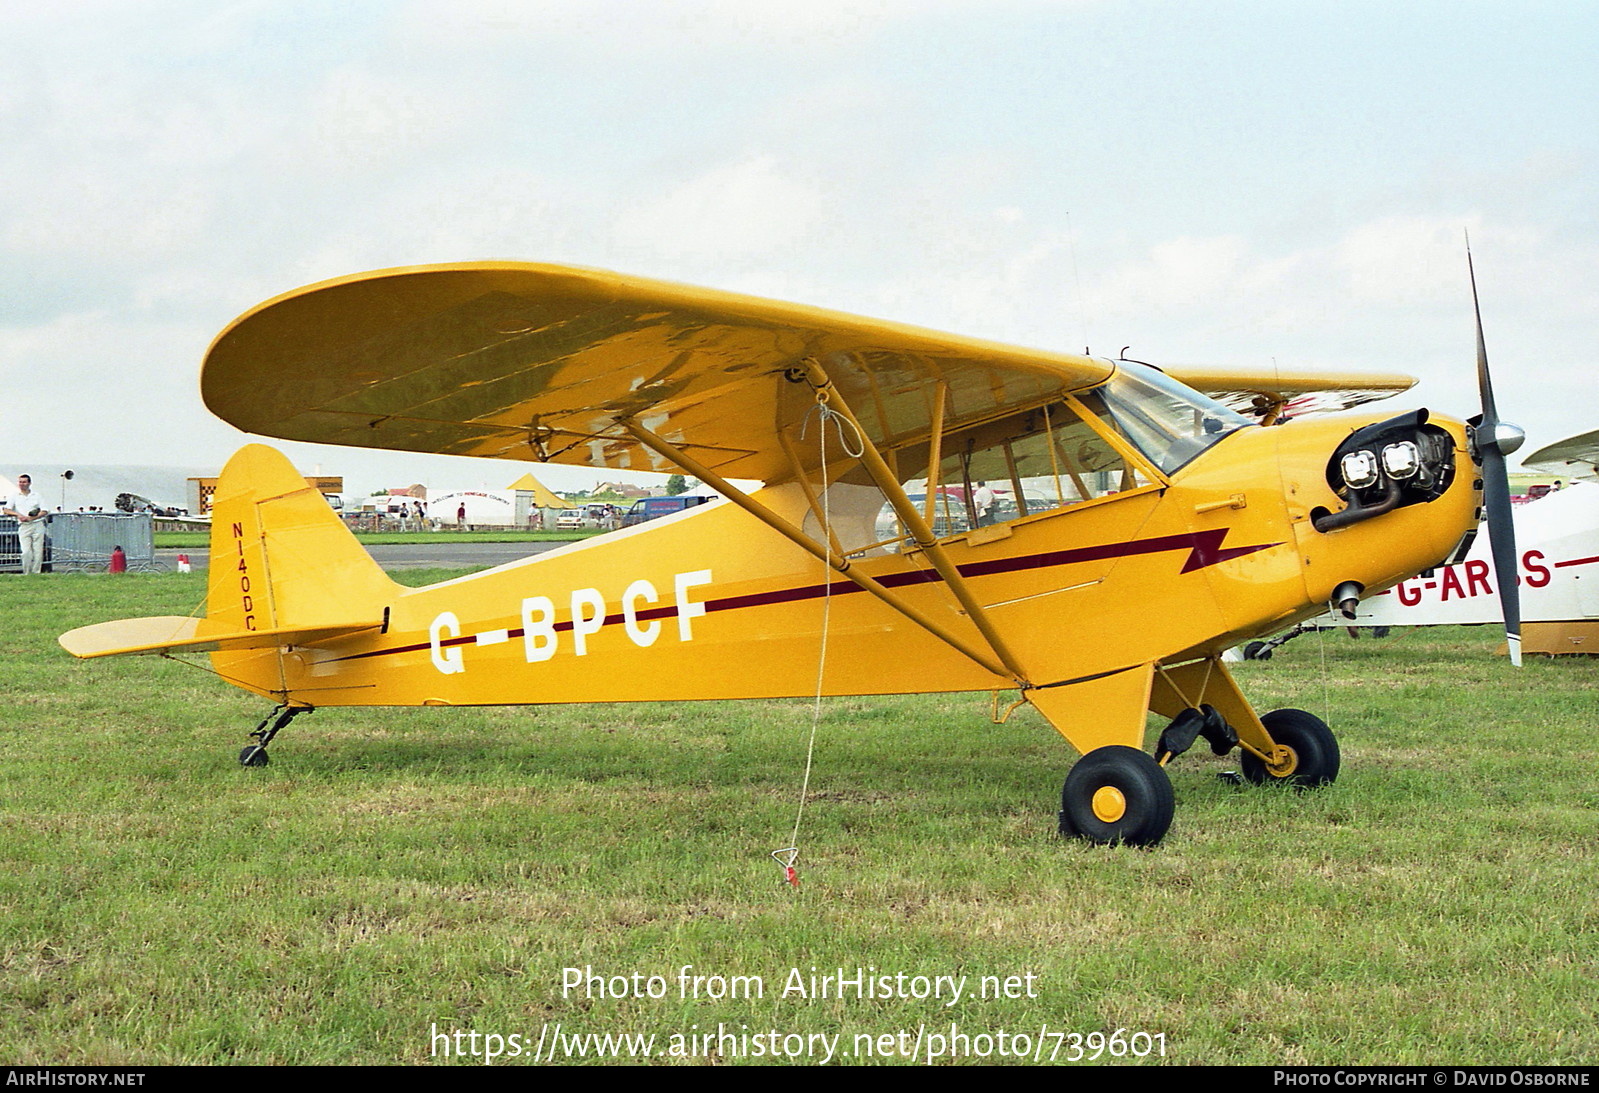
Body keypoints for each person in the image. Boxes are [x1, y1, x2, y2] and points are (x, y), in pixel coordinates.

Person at [4, 474, 49, 574]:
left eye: (24, 482)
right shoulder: (14, 496)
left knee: (38, 551)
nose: (22, 484)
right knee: (26, 551)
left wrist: (32, 517)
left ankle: (36, 572)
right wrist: (18, 515)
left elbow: (45, 510)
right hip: (23, 526)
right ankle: (27, 572)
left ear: (29, 483)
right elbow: (6, 509)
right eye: (20, 482)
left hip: (37, 525)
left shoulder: (37, 496)